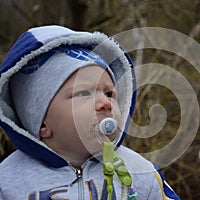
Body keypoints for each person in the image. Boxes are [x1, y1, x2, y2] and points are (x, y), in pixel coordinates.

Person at [0, 25, 180, 200]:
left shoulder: (141, 173)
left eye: (109, 93)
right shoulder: (7, 182)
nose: (105, 103)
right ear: (42, 123)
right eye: (83, 93)